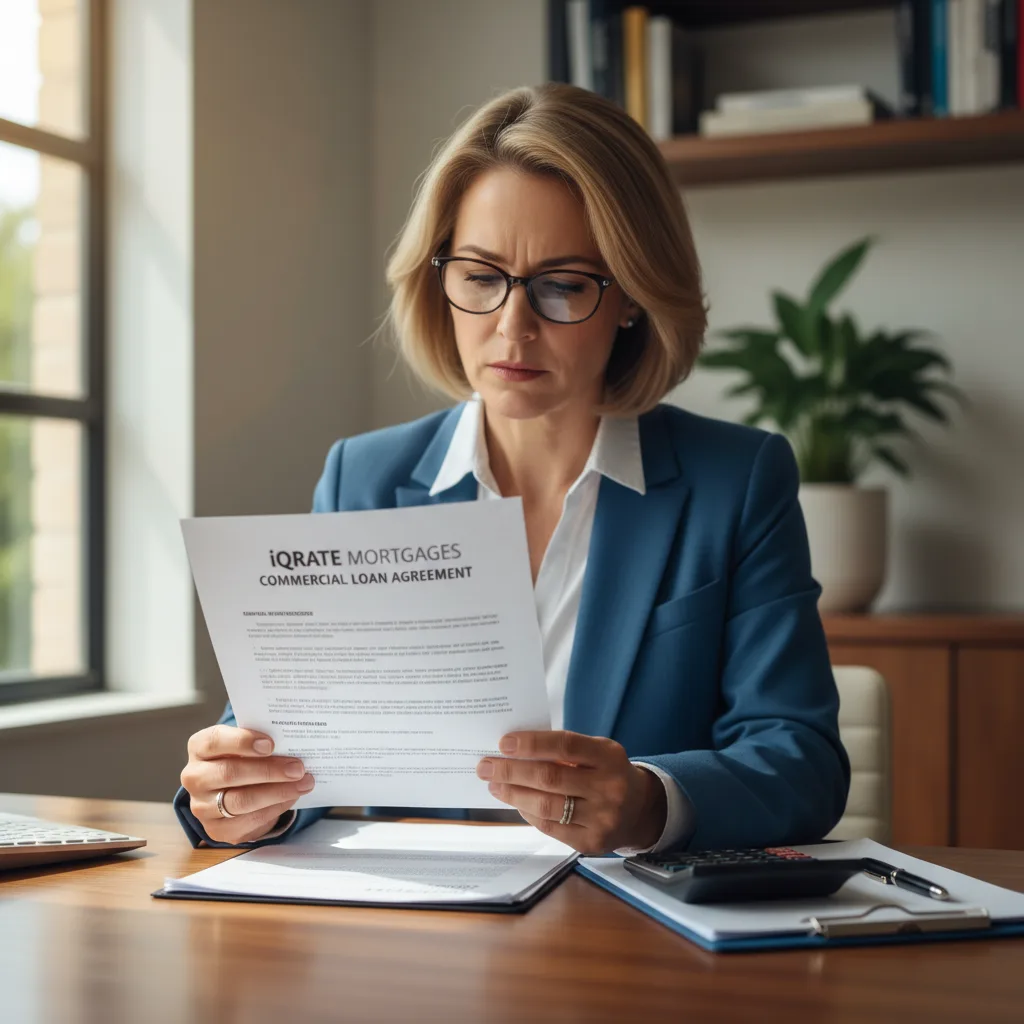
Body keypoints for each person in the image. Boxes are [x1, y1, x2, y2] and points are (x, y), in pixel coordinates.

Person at [175, 82, 849, 855]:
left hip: (629, 939)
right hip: (417, 930)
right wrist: (238, 797)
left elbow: (802, 763)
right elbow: (289, 742)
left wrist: (649, 802)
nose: (512, 326)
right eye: (480, 275)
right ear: (440, 278)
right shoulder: (362, 477)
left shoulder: (737, 481)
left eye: (564, 285)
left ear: (631, 294)